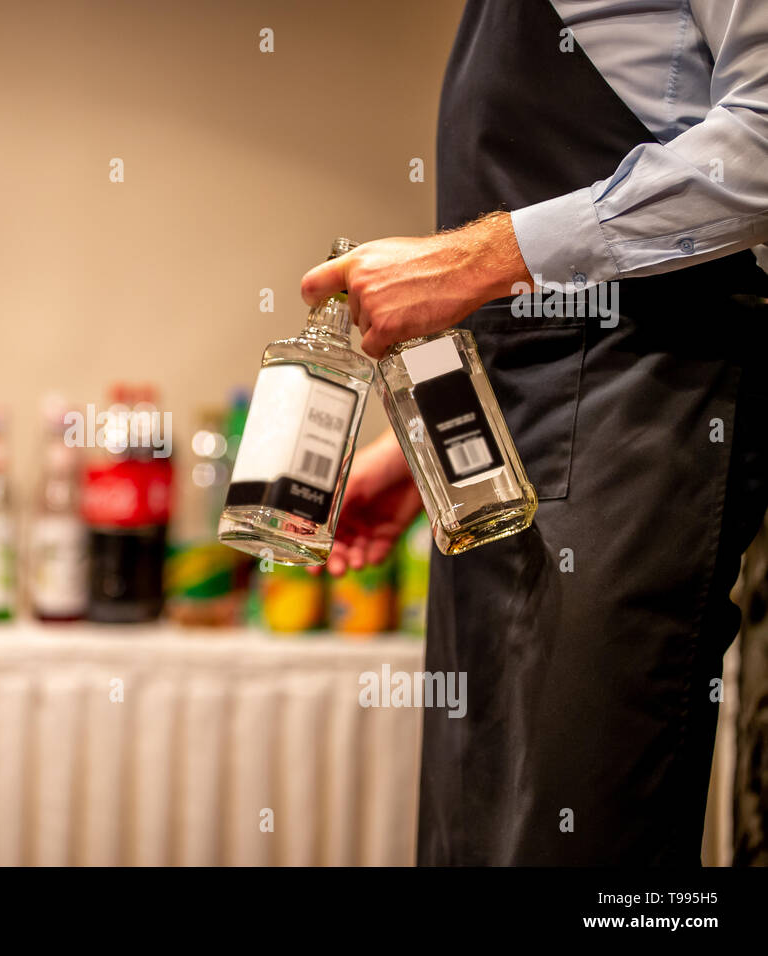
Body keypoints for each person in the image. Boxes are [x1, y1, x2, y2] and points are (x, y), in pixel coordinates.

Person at [304, 0, 768, 864]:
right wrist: (432, 444)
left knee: (576, 837)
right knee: (476, 832)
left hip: (647, 407)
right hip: (503, 448)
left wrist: (474, 259)